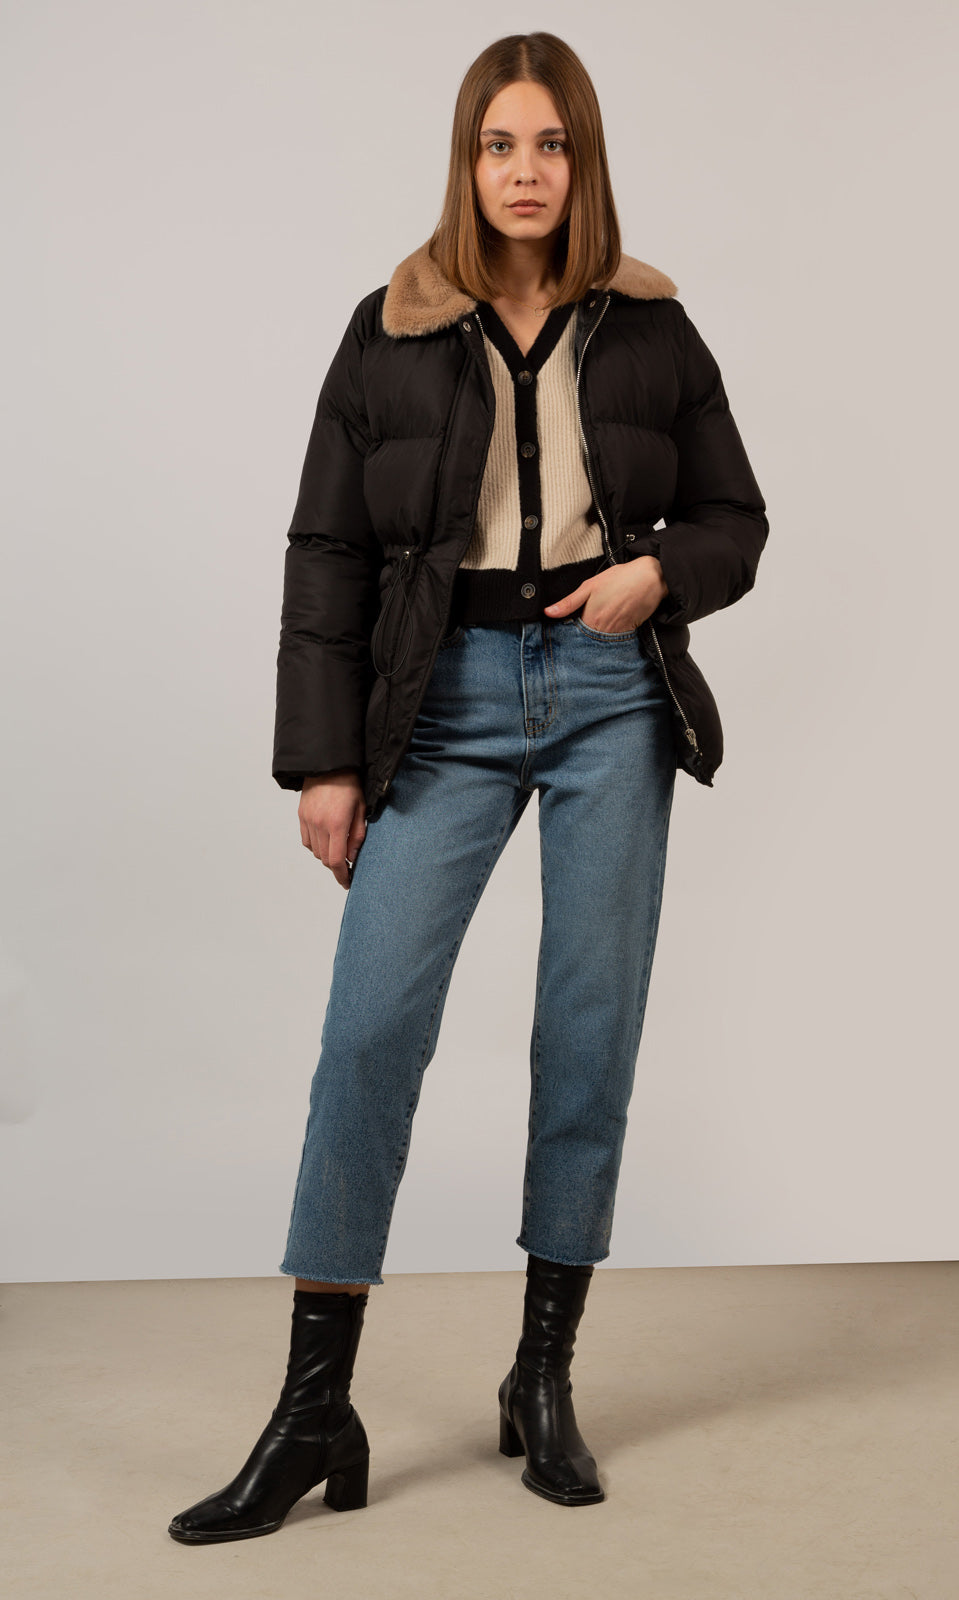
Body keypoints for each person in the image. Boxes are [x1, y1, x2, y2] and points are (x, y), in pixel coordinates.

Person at [168, 30, 768, 1545]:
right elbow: (327, 552)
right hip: (439, 702)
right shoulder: (389, 330)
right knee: (370, 1026)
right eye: (500, 144)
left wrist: (655, 575)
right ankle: (316, 1408)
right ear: (466, 159)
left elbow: (736, 517)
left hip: (610, 693)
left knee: (588, 1027)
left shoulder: (651, 326)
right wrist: (324, 760)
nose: (525, 171)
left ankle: (541, 1376)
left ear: (584, 160)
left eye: (551, 144)